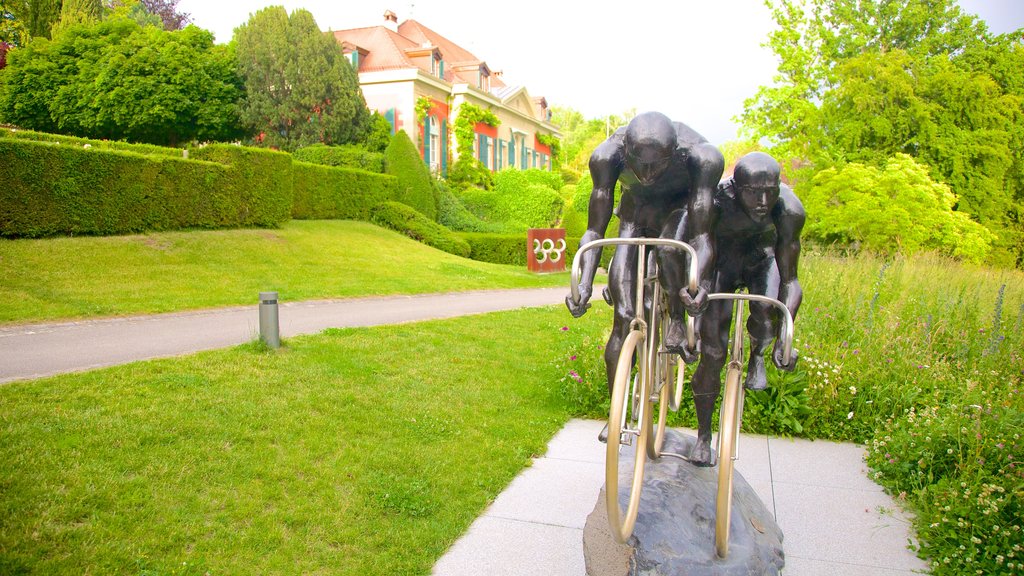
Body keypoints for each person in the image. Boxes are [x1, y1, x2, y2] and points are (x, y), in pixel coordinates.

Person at [565, 111, 724, 439]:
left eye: (658, 165)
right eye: (640, 165)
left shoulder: (701, 157)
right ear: (626, 150)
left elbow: (704, 236)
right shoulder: (607, 155)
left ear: (675, 152)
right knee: (622, 317)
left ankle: (677, 320)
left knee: (669, 250)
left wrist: (697, 281)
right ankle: (616, 411)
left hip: (678, 213)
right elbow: (595, 230)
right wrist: (583, 282)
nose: (648, 175)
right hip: (634, 215)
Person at [687, 151, 804, 465]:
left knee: (767, 310)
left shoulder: (789, 210)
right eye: (753, 193)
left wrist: (785, 336)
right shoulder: (716, 202)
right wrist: (698, 288)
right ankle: (703, 436)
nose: (763, 201)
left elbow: (790, 281)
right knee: (712, 353)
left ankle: (758, 353)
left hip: (762, 261)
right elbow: (701, 246)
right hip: (722, 263)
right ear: (735, 189)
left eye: (770, 191)